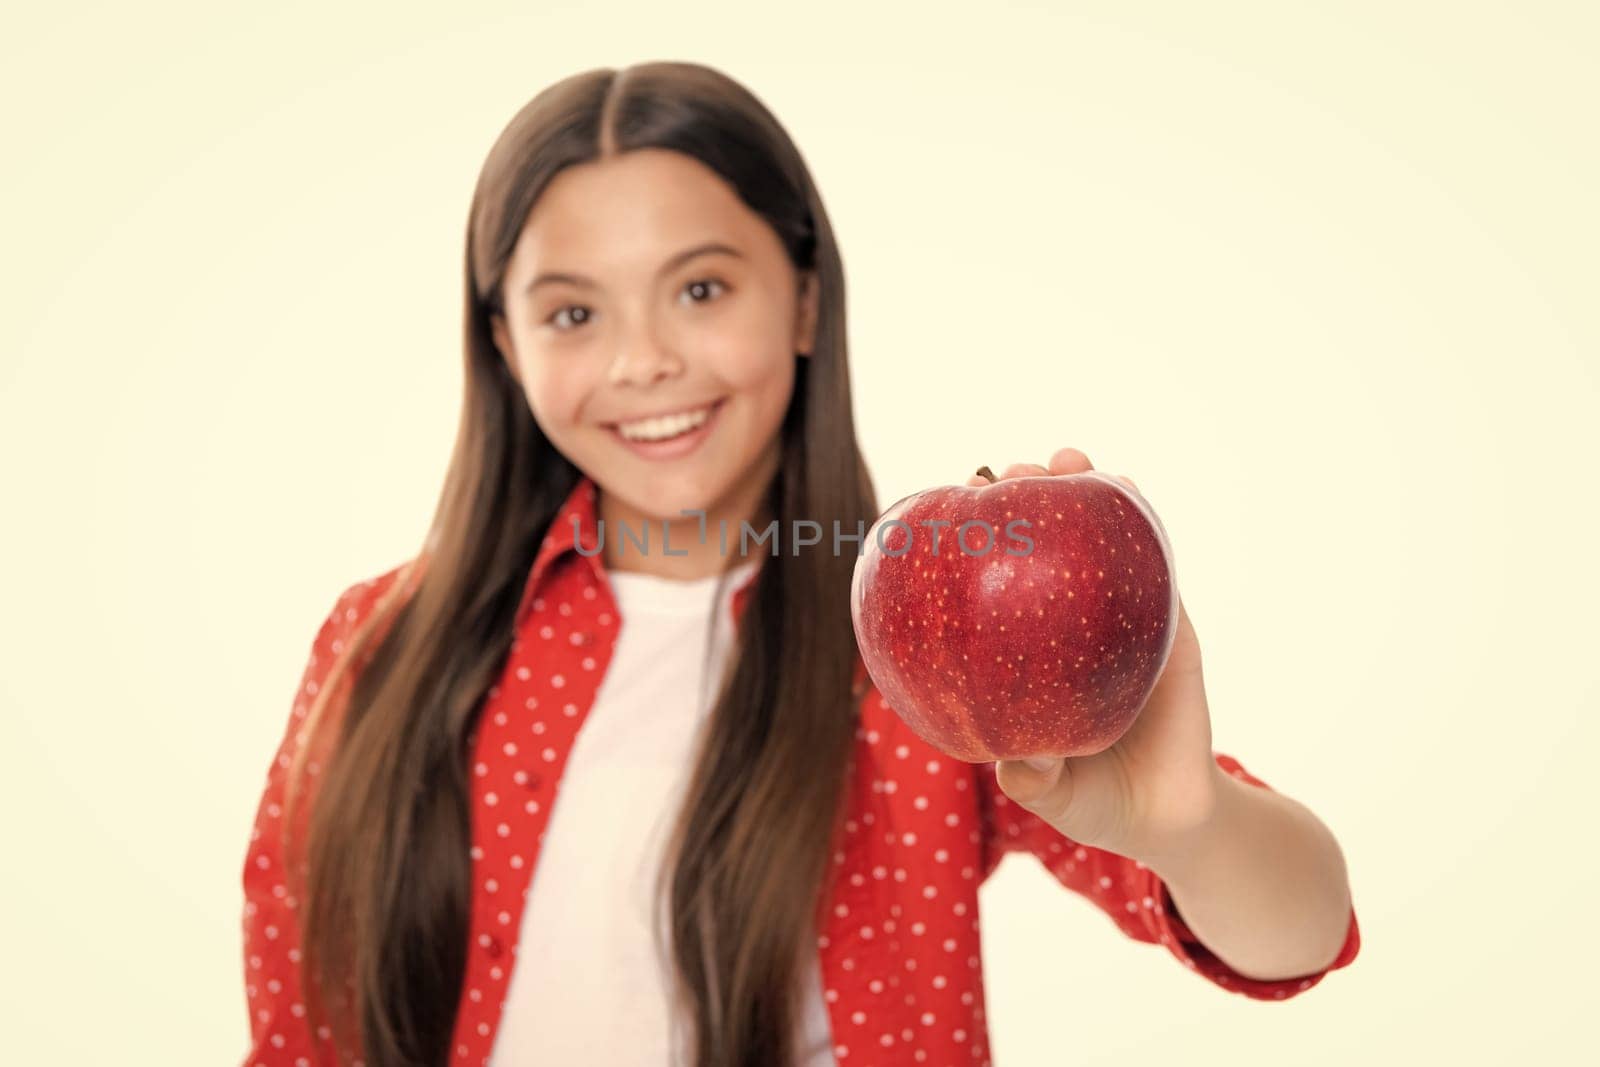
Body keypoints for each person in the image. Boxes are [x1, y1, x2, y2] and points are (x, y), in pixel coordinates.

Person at [239, 61, 1360, 1067]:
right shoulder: (379, 638)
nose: (643, 361)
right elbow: (298, 1039)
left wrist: (1190, 823)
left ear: (806, 300)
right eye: (573, 311)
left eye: (701, 289)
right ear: (504, 345)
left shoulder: (926, 656)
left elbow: (1296, 932)